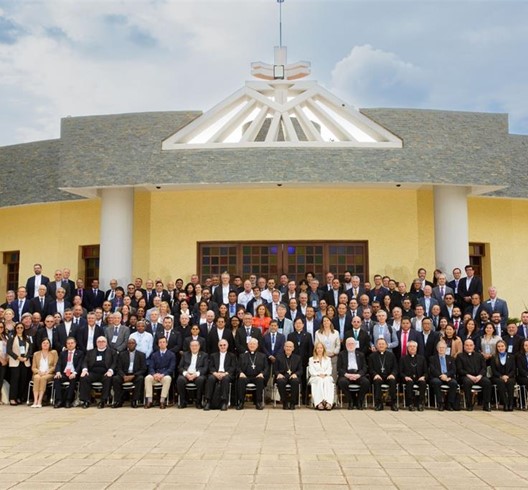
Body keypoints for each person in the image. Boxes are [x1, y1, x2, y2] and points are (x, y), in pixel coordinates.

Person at [79, 336, 116, 408]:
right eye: (99, 341)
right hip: (93, 373)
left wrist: (110, 371)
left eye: (103, 341)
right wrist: (85, 370)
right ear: (96, 343)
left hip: (105, 373)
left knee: (108, 378)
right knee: (84, 377)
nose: (101, 343)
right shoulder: (90, 352)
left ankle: (103, 401)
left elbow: (114, 363)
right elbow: (84, 362)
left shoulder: (112, 352)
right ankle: (86, 400)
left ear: (106, 343)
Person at [456, 339, 492, 411]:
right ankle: (469, 405)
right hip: (466, 376)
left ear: (474, 346)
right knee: (467, 382)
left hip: (479, 377)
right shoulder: (460, 356)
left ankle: (486, 405)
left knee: (487, 382)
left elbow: (484, 368)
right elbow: (459, 369)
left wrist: (480, 376)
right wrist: (469, 376)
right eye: (467, 345)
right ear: (464, 346)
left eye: (471, 345)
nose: (469, 347)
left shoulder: (480, 356)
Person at [112, 338, 147, 408]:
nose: (131, 345)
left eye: (133, 343)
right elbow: (118, 368)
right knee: (115, 379)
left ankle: (134, 400)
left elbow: (143, 369)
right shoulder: (122, 354)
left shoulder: (141, 355)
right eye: (129, 343)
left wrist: (134, 375)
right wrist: (123, 376)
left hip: (135, 375)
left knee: (140, 379)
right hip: (124, 375)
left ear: (136, 345)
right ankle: (118, 401)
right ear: (127, 345)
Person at [337, 337, 370, 410]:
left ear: (355, 345)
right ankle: (350, 400)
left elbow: (364, 367)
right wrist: (347, 375)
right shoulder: (341, 354)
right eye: (348, 344)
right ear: (346, 345)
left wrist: (358, 375)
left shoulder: (361, 354)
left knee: (366, 382)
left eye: (352, 344)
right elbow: (339, 368)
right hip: (347, 374)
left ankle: (359, 401)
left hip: (358, 374)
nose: (350, 345)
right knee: (342, 382)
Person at [204, 339, 236, 411]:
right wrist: (215, 373)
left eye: (224, 345)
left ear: (227, 346)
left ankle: (224, 402)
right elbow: (210, 366)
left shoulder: (232, 356)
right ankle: (208, 401)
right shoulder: (213, 355)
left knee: (225, 379)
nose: (222, 347)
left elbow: (233, 367)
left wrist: (225, 373)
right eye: (221, 345)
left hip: (227, 374)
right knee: (210, 378)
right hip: (216, 373)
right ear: (218, 346)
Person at [236, 337, 268, 410]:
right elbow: (238, 367)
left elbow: (266, 368)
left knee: (260, 380)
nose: (252, 345)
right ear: (247, 345)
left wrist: (262, 373)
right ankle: (241, 402)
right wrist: (241, 372)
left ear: (257, 345)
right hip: (246, 376)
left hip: (257, 376)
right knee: (241, 380)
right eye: (250, 344)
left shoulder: (262, 356)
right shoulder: (242, 356)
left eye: (254, 344)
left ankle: (258, 402)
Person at [176, 339, 209, 409]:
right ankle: (183, 402)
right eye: (192, 346)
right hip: (187, 374)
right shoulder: (185, 354)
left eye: (196, 346)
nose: (194, 347)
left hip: (197, 375)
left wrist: (196, 374)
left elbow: (205, 368)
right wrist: (186, 374)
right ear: (190, 347)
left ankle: (198, 402)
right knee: (180, 380)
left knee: (201, 380)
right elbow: (180, 367)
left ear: (199, 346)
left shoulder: (204, 355)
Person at [53, 336, 84, 408]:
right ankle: (59, 400)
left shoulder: (80, 353)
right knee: (56, 378)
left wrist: (75, 373)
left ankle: (68, 400)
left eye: (72, 343)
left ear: (75, 344)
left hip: (74, 373)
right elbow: (59, 364)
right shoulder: (62, 353)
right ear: (66, 345)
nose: (70, 345)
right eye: (68, 343)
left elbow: (80, 365)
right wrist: (58, 372)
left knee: (73, 379)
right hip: (64, 373)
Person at [368, 338, 399, 411]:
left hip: (389, 376)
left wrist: (392, 374)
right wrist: (375, 374)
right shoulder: (372, 356)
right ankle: (379, 404)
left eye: (383, 344)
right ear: (376, 346)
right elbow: (370, 368)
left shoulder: (391, 355)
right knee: (377, 381)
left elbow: (395, 368)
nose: (381, 345)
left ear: (386, 345)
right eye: (379, 344)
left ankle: (393, 404)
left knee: (393, 381)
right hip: (378, 376)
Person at [429, 340, 459, 411]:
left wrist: (446, 375)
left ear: (446, 349)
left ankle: (449, 403)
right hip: (437, 377)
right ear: (437, 349)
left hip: (448, 377)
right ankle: (440, 403)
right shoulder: (432, 358)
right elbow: (433, 370)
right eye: (440, 347)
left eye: (443, 348)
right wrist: (441, 376)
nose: (441, 349)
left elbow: (453, 370)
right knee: (436, 382)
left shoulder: (451, 358)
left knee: (454, 383)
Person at [7, 323, 32, 405]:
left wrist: (26, 357)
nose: (20, 329)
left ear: (23, 329)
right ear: (15, 329)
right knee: (15, 380)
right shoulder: (11, 337)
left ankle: (19, 397)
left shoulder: (27, 338)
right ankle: (12, 398)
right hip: (15, 362)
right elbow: (9, 350)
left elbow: (30, 350)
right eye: (18, 327)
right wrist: (18, 357)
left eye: (21, 327)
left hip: (25, 362)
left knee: (23, 380)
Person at [399, 340, 427, 411]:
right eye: (410, 346)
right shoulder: (403, 359)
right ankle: (410, 404)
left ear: (416, 348)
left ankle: (420, 403)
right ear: (407, 348)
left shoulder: (422, 358)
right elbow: (400, 372)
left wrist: (423, 377)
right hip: (408, 379)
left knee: (423, 383)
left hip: (419, 378)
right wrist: (405, 377)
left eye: (414, 346)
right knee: (409, 383)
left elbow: (426, 372)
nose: (412, 348)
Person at [274, 340, 303, 410]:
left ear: (293, 348)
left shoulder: (298, 358)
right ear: (284, 347)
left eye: (290, 347)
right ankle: (285, 402)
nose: (288, 348)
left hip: (293, 376)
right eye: (287, 346)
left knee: (295, 381)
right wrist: (278, 374)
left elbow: (300, 370)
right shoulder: (278, 357)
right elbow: (275, 369)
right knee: (280, 381)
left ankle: (293, 403)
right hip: (282, 376)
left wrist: (296, 374)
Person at [30, 338, 58, 407]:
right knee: (36, 378)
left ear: (49, 344)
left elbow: (56, 365)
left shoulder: (54, 353)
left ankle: (40, 401)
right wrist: (38, 372)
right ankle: (35, 401)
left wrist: (48, 371)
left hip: (49, 373)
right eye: (44, 343)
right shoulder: (36, 354)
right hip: (38, 373)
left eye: (47, 343)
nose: (45, 344)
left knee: (43, 378)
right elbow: (33, 367)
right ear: (41, 344)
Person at [308, 341, 335, 410]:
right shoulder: (311, 359)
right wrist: (318, 374)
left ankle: (328, 402)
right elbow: (311, 370)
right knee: (319, 380)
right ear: (315, 350)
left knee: (327, 381)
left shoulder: (328, 359)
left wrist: (325, 374)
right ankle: (319, 402)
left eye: (321, 348)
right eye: (318, 348)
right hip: (315, 377)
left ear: (323, 349)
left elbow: (329, 369)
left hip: (326, 376)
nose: (319, 349)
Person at [490, 339, 515, 411]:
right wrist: (501, 376)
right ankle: (505, 403)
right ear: (496, 348)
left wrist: (507, 376)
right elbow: (494, 370)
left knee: (510, 382)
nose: (500, 348)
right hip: (497, 377)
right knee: (500, 382)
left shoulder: (511, 357)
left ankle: (511, 404)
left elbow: (513, 370)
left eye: (502, 346)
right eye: (499, 346)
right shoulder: (494, 357)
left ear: (505, 347)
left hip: (509, 376)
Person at [315, 316, 340, 380]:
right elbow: (316, 345)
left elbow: (338, 345)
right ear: (322, 323)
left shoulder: (336, 332)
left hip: (333, 357)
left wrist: (334, 352)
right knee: (323, 376)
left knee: (333, 376)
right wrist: (323, 353)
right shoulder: (318, 333)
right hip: (322, 357)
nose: (326, 322)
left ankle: (334, 386)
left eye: (327, 320)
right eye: (324, 321)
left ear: (330, 322)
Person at [0, 322, 8, 403]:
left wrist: (6, 359)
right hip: (1, 360)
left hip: (4, 361)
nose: (0, 328)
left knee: (1, 380)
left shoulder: (4, 337)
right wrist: (1, 359)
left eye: (2, 327)